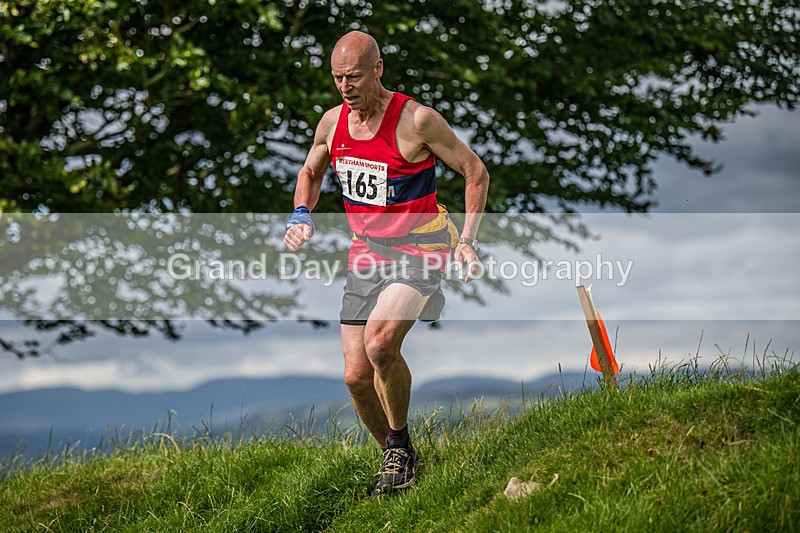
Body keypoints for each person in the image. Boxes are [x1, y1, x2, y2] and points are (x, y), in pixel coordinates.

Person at [283, 30, 489, 496]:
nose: (345, 87)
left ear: (378, 69)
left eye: (353, 76)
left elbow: (476, 171)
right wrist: (301, 213)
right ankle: (397, 456)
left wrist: (469, 241)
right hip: (366, 252)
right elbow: (311, 171)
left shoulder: (417, 121)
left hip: (422, 247)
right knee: (356, 376)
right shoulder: (332, 123)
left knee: (379, 345)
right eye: (337, 78)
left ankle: (397, 448)